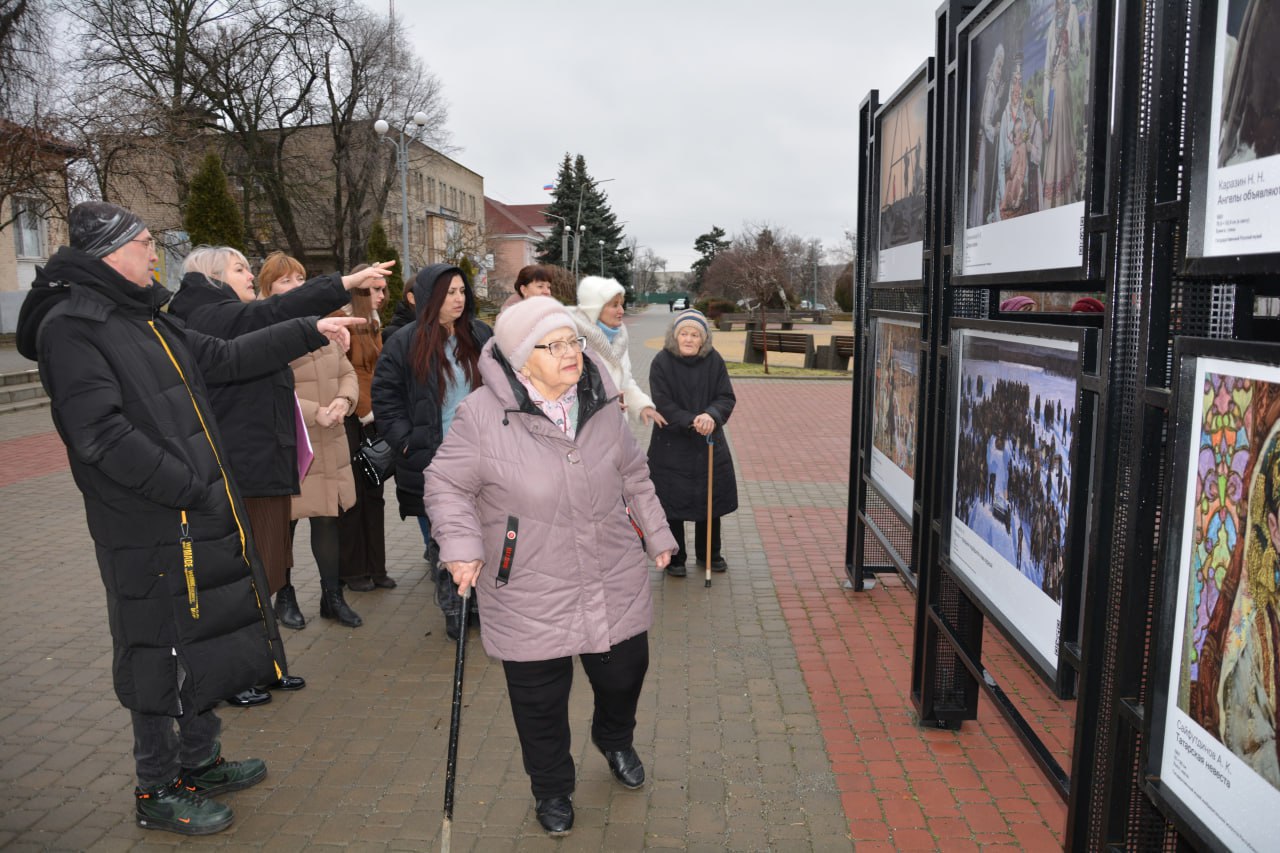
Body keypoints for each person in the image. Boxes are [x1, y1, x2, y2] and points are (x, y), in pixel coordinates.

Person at [14, 201, 365, 835]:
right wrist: (188, 485)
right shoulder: (74, 327)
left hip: (188, 512)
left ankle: (200, 760)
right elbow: (99, 436)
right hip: (148, 524)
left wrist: (312, 328)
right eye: (145, 242)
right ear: (109, 253)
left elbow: (225, 358)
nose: (156, 253)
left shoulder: (145, 316)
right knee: (158, 650)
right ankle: (157, 787)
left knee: (199, 637)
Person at [423, 296, 676, 836]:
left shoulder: (601, 402)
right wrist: (461, 545)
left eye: (573, 341)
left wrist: (656, 532)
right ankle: (552, 788)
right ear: (521, 359)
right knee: (539, 702)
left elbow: (634, 475)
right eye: (553, 345)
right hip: (527, 581)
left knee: (625, 674)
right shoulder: (481, 414)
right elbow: (445, 484)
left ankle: (613, 737)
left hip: (611, 570)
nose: (570, 353)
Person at [170, 246, 391, 706]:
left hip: (263, 462)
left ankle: (264, 666)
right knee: (242, 579)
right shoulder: (211, 314)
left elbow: (274, 326)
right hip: (243, 466)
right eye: (240, 268)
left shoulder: (227, 314)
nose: (249, 275)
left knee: (261, 572)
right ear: (213, 276)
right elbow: (274, 315)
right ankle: (233, 677)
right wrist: (340, 289)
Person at [371, 264, 493, 640]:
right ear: (430, 298)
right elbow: (385, 398)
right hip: (435, 458)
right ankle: (454, 607)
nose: (458, 299)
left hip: (483, 454)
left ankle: (481, 604)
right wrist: (407, 441)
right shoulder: (404, 342)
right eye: (449, 293)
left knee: (486, 529)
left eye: (462, 291)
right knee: (446, 535)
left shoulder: (481, 334)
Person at [258, 252, 363, 628]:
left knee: (327, 519)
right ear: (268, 289)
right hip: (290, 442)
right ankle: (283, 595)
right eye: (284, 281)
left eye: (299, 279)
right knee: (284, 525)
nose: (294, 287)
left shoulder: (321, 326)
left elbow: (347, 372)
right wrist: (312, 411)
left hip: (329, 438)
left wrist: (343, 401)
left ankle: (332, 596)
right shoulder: (262, 331)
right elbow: (264, 390)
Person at [646, 309, 739, 576]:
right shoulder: (661, 362)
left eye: (695, 335)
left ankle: (710, 553)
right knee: (671, 501)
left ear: (703, 339)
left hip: (707, 441)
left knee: (709, 499)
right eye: (684, 334)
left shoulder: (714, 360)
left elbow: (725, 396)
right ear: (675, 337)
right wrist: (690, 420)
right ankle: (676, 557)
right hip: (671, 443)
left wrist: (712, 415)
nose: (688, 339)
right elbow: (662, 402)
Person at [337, 267, 392, 592]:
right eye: (376, 289)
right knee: (352, 498)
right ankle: (353, 571)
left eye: (384, 289)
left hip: (372, 418)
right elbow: (347, 373)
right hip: (348, 419)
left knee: (374, 494)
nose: (382, 295)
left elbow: (375, 372)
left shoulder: (373, 321)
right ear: (359, 290)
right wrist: (364, 410)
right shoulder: (340, 320)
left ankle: (377, 568)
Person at [568, 276, 666, 427]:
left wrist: (642, 405)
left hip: (614, 427)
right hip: (584, 429)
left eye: (621, 304)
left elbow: (624, 382)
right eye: (614, 305)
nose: (621, 310)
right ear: (596, 310)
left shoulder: (619, 339)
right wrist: (601, 404)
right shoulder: (574, 341)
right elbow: (565, 391)